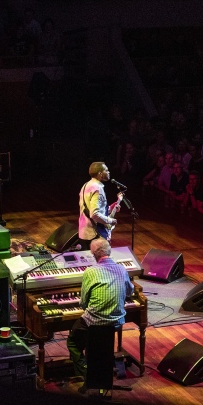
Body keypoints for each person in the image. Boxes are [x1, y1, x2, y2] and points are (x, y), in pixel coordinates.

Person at [66, 238, 134, 384]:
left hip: (93, 322)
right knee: (99, 340)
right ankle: (100, 368)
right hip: (116, 322)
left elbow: (83, 303)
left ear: (94, 254)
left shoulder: (90, 272)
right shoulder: (122, 269)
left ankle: (87, 372)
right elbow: (129, 291)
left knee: (73, 342)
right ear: (109, 251)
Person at [78, 162, 122, 250]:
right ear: (100, 174)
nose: (109, 172)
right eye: (106, 170)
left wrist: (111, 207)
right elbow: (94, 214)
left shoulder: (86, 185)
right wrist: (110, 220)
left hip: (84, 232)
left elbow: (94, 209)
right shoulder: (97, 188)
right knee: (99, 262)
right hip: (94, 234)